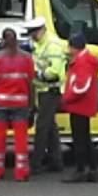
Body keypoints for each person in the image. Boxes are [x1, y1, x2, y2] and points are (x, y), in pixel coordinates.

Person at [0, 28, 35, 181]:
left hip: (0, 103)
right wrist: (32, 104)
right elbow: (31, 82)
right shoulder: (27, 58)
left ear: (3, 41)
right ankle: (21, 172)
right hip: (20, 103)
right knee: (21, 139)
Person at [27, 18, 66, 174]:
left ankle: (35, 163)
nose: (31, 36)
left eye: (33, 33)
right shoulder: (40, 44)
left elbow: (54, 73)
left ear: (41, 30)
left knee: (42, 127)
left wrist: (37, 74)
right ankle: (56, 161)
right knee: (50, 127)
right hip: (43, 90)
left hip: (50, 90)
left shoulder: (52, 45)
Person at [61, 32, 98, 183]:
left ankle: (81, 170)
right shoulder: (86, 60)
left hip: (79, 105)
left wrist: (67, 98)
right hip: (84, 104)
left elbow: (81, 86)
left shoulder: (82, 62)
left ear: (75, 47)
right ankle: (92, 169)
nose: (68, 49)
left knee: (79, 139)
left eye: (69, 46)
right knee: (85, 137)